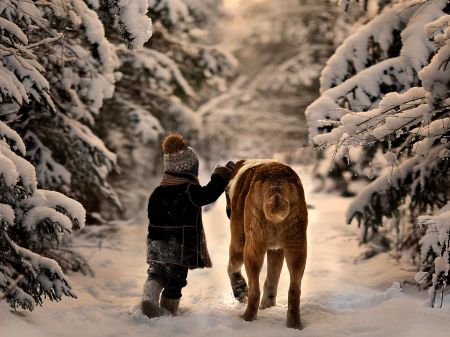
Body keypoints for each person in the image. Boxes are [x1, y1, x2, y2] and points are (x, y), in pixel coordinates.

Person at [141, 133, 235, 318]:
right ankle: (168, 313)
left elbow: (152, 216)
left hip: (156, 244)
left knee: (156, 273)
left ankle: (149, 295)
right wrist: (221, 174)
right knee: (175, 281)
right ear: (190, 170)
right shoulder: (189, 190)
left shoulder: (157, 191)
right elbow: (210, 193)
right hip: (180, 246)